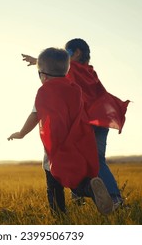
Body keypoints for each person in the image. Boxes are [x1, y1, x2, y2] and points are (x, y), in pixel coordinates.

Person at [22, 38, 129, 209]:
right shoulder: (90, 72)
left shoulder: (74, 70)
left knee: (70, 158)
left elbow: (56, 70)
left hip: (83, 122)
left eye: (68, 53)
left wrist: (38, 62)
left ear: (76, 53)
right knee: (91, 159)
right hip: (100, 120)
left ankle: (112, 199)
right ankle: (84, 196)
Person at [8, 47, 113, 215]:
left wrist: (21, 133)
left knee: (54, 181)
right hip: (78, 139)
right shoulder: (74, 88)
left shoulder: (44, 92)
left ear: (43, 76)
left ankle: (59, 216)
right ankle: (89, 188)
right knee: (75, 174)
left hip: (56, 142)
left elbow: (35, 116)